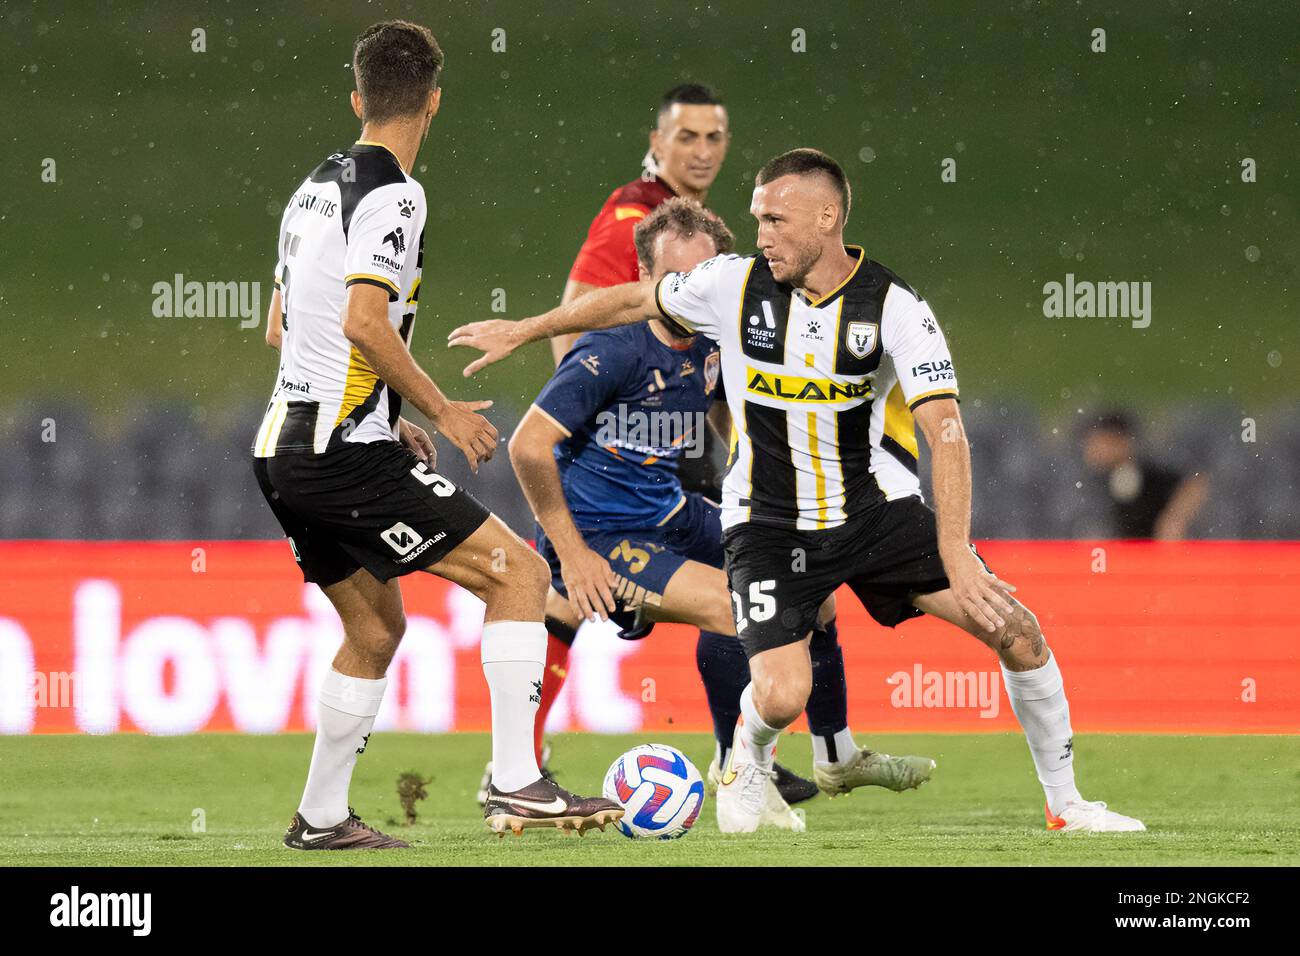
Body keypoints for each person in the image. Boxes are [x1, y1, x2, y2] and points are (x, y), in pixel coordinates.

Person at [449, 147, 1147, 834]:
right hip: (769, 527)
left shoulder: (896, 306)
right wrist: (527, 328)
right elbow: (634, 297)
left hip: (868, 513)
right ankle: (745, 756)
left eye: (777, 221)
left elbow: (948, 432)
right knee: (782, 695)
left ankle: (1068, 807)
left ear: (827, 217)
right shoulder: (730, 285)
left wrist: (956, 550)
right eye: (757, 220)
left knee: (1017, 632)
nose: (763, 236)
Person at [253, 20, 621, 845]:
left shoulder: (311, 188)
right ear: (435, 102)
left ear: (357, 98)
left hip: (283, 449)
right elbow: (362, 322)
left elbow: (282, 327)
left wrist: (382, 416)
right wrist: (438, 411)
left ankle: (320, 818)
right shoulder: (395, 193)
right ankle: (519, 782)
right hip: (338, 451)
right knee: (520, 575)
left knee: (377, 629)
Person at [504, 198, 934, 829]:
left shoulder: (718, 338)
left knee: (814, 596)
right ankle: (742, 768)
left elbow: (742, 406)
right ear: (648, 282)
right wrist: (570, 554)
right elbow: (526, 446)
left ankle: (834, 754)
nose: (692, 294)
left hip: (673, 513)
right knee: (753, 616)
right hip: (604, 537)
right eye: (674, 280)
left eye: (704, 275)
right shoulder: (610, 353)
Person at [1082, 411, 1210, 539]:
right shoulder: (1095, 481)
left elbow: (1196, 483)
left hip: (1151, 549)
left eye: (1103, 443)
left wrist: (1174, 519)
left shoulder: (1147, 472)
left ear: (1122, 442)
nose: (1095, 451)